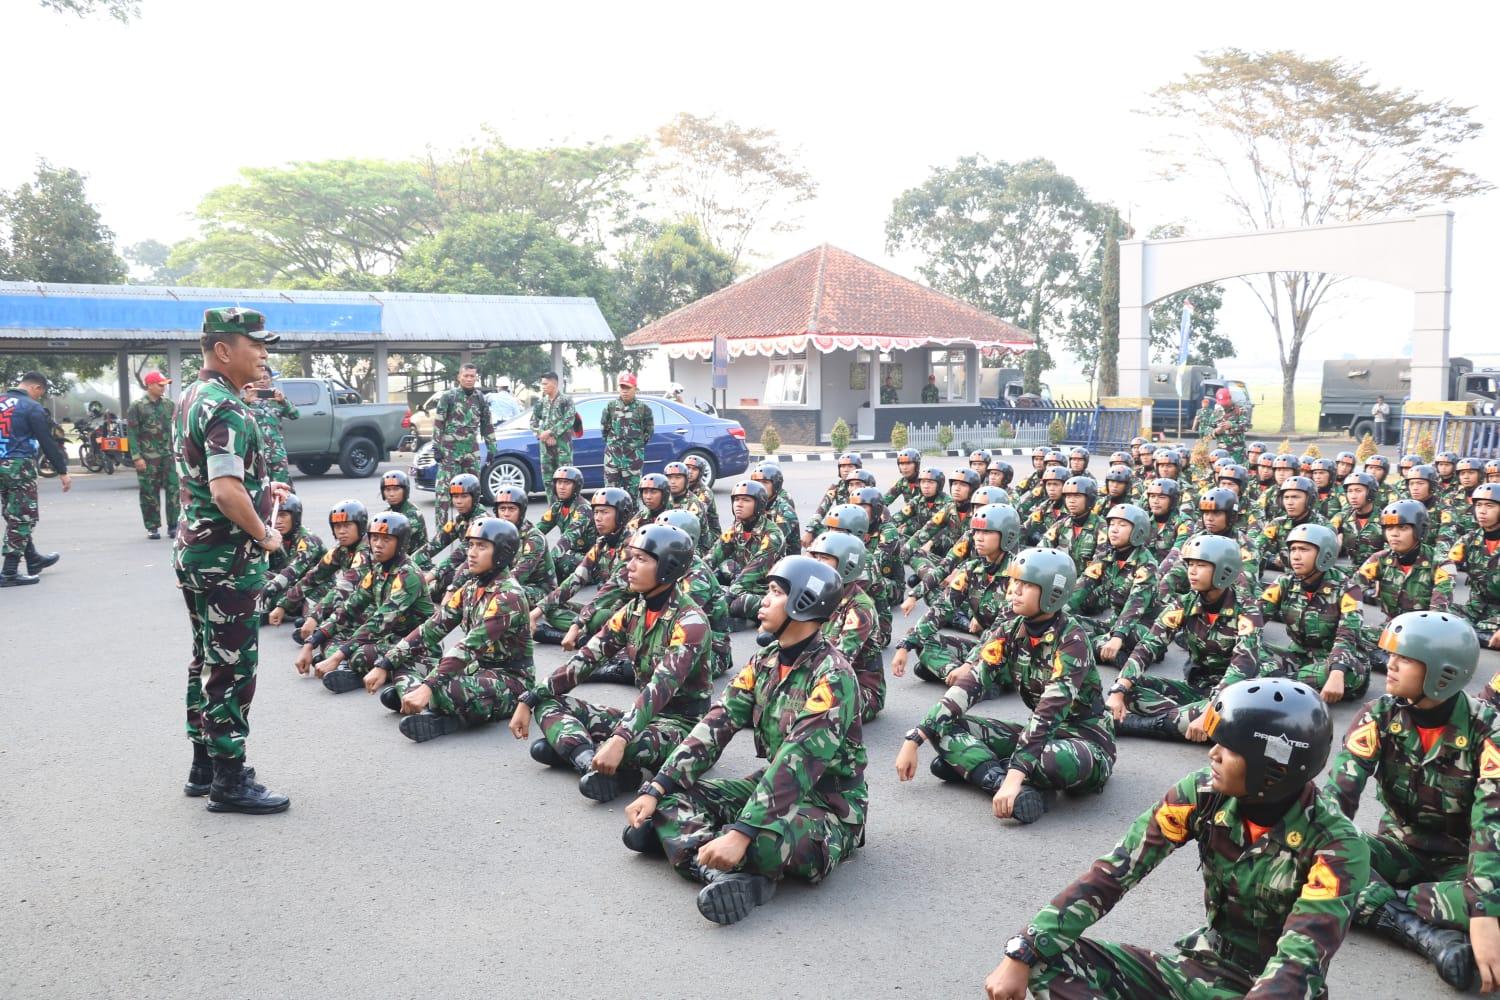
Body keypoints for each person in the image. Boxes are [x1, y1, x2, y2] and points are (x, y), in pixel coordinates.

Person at [985, 677, 1368, 1000]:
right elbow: (1114, 871)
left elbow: (1298, 960)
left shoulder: (1337, 846)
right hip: (1204, 968)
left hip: (1275, 988)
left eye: (1230, 748)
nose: (1212, 754)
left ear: (1275, 768)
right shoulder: (1202, 793)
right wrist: (1024, 948)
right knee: (1042, 959)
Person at [622, 556, 866, 926]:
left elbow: (796, 762)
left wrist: (742, 831)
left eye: (775, 592)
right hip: (768, 789)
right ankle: (719, 872)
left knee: (763, 843)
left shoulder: (834, 677)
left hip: (829, 805)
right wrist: (657, 787)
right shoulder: (766, 660)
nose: (763, 601)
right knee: (669, 802)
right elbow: (715, 725)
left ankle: (705, 852)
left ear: (804, 601)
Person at [1324, 611, 1500, 990]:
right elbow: (1335, 806)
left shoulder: (1489, 730)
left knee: (1494, 902)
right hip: (1397, 851)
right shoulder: (1379, 715)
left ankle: (1387, 901)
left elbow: (1492, 824)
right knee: (1311, 852)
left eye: (1405, 659)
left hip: (1465, 865)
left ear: (1443, 672)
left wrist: (1484, 910)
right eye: (1392, 655)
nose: (1390, 665)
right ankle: (1430, 934)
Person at [895, 547, 1116, 824]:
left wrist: (1015, 774)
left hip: (1086, 743)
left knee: (1048, 761)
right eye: (1015, 582)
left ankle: (979, 769)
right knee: (945, 726)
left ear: (1052, 593)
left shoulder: (1072, 640)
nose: (1014, 591)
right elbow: (971, 684)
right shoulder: (1010, 629)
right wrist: (916, 737)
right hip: (1036, 735)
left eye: (1026, 585)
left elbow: (1049, 713)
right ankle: (1000, 782)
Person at [172, 307, 290, 814]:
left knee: (205, 659)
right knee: (232, 670)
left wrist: (264, 489)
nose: (264, 354)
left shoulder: (191, 397)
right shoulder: (227, 408)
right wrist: (264, 532)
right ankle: (228, 780)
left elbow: (213, 480)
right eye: (255, 344)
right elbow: (224, 491)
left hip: (196, 553)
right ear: (224, 350)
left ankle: (203, 765)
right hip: (227, 562)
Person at [512, 523, 712, 803]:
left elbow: (658, 690)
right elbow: (585, 659)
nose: (629, 566)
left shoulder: (691, 623)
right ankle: (591, 763)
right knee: (549, 703)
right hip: (641, 718)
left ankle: (580, 751)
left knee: (622, 746)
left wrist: (619, 739)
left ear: (669, 566)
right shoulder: (634, 609)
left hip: (681, 727)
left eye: (641, 559)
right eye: (630, 557)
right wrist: (530, 697)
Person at [377, 517, 533, 743]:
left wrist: (428, 686)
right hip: (476, 670)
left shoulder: (509, 596)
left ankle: (432, 704)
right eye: (470, 545)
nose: (471, 553)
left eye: (482, 546)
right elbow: (430, 629)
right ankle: (429, 701)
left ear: (502, 553)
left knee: (443, 688)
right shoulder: (471, 587)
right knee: (409, 663)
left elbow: (468, 646)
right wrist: (386, 663)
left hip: (511, 681)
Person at [1111, 534, 1266, 742]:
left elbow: (1242, 667)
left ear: (1224, 570)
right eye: (1190, 564)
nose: (1191, 571)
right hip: (1198, 689)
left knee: (1223, 717)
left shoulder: (1247, 610)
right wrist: (1119, 690)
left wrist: (1210, 709)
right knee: (1131, 691)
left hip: (1233, 698)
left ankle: (1147, 725)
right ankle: (1185, 719)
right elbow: (1148, 646)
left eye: (1201, 565)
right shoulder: (1185, 603)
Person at [299, 511, 433, 694]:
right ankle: (362, 670)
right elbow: (349, 608)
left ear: (401, 543)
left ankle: (376, 672)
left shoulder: (408, 575)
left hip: (417, 647)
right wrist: (311, 642)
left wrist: (338, 656)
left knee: (359, 655)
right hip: (390, 640)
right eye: (375, 538)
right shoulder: (379, 570)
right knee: (330, 637)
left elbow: (378, 621)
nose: (378, 545)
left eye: (386, 539)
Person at [1258, 523, 1373, 704]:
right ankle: (1286, 684)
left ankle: (1273, 681)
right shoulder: (1284, 582)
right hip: (1298, 656)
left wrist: (1337, 672)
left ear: (1324, 554)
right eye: (1293, 549)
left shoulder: (1348, 588)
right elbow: (1256, 617)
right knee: (1252, 653)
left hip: (1336, 663)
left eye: (1304, 549)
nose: (1295, 556)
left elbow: (1347, 636)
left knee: (1346, 677)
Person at [0, 371, 72, 586]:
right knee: (23, 516)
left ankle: (33, 559)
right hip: (18, 466)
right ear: (36, 388)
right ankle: (9, 572)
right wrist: (62, 471)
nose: (39, 397)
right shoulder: (32, 407)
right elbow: (46, 441)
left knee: (14, 513)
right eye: (40, 393)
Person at [267, 499, 367, 632]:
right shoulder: (341, 549)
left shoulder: (366, 550)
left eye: (347, 525)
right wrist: (283, 605)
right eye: (337, 526)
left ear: (360, 526)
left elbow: (346, 586)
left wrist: (314, 617)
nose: (341, 531)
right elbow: (313, 577)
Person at [431, 363, 493, 522]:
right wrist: (436, 447)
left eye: (472, 376)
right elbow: (439, 423)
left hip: (471, 452)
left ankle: (473, 525)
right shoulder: (449, 397)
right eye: (466, 376)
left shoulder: (480, 398)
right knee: (443, 492)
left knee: (472, 491)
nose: (469, 379)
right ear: (459, 377)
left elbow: (487, 425)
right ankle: (442, 530)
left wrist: (492, 448)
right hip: (449, 452)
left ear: (476, 377)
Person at [127, 370, 179, 540]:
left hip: (168, 455)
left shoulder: (169, 405)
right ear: (149, 385)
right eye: (160, 384)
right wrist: (136, 456)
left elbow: (176, 430)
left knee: (174, 490)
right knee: (149, 492)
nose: (163, 388)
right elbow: (132, 432)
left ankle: (173, 526)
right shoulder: (137, 406)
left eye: (165, 385)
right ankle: (152, 527)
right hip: (147, 457)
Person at [1450, 483, 1500, 651]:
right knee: (1438, 615)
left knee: (1460, 630)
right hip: (1475, 608)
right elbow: (1444, 566)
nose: (1482, 511)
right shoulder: (1469, 539)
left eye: (1490, 506)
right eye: (1478, 505)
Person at [601, 372, 654, 498]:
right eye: (622, 387)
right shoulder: (611, 407)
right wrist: (614, 444)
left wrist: (636, 446)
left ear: (635, 388)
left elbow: (649, 430)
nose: (624, 391)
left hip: (633, 459)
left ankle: (631, 517)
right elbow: (605, 428)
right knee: (610, 496)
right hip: (612, 459)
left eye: (628, 388)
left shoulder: (643, 408)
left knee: (632, 497)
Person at [537, 466, 595, 581]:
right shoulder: (557, 506)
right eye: (559, 483)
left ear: (576, 487)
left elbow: (567, 539)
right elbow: (537, 531)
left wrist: (547, 562)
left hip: (590, 559)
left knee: (564, 562)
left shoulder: (584, 509)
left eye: (566, 483)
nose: (561, 487)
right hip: (569, 553)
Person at [241, 373, 299, 487]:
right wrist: (245, 401)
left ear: (271, 380)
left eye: (265, 378)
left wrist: (283, 401)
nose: (262, 381)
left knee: (283, 490)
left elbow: (295, 415)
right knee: (257, 492)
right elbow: (234, 419)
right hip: (253, 455)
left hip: (276, 454)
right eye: (258, 378)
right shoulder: (244, 399)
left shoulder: (277, 400)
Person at [529, 371, 577, 498]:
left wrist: (551, 433)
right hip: (545, 449)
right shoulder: (541, 403)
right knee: (549, 482)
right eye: (542, 384)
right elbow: (532, 422)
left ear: (554, 383)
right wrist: (542, 435)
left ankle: (566, 511)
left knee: (565, 480)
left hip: (563, 448)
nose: (543, 386)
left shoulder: (566, 400)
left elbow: (569, 420)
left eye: (546, 383)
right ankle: (552, 511)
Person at [378, 469, 427, 553]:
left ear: (405, 491)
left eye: (396, 489)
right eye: (388, 489)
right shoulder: (387, 512)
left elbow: (392, 538)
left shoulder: (413, 514)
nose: (391, 494)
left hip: (416, 561)